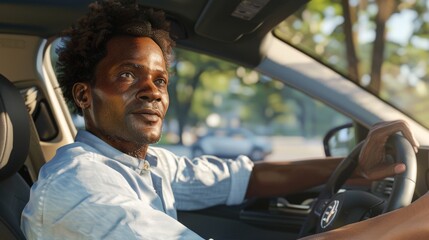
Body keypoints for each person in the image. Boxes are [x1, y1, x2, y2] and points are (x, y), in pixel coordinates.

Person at [20, 0, 422, 239]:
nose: (153, 90)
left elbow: (247, 178)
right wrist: (414, 220)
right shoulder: (79, 190)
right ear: (84, 95)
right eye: (128, 74)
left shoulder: (144, 163)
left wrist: (354, 168)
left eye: (160, 79)